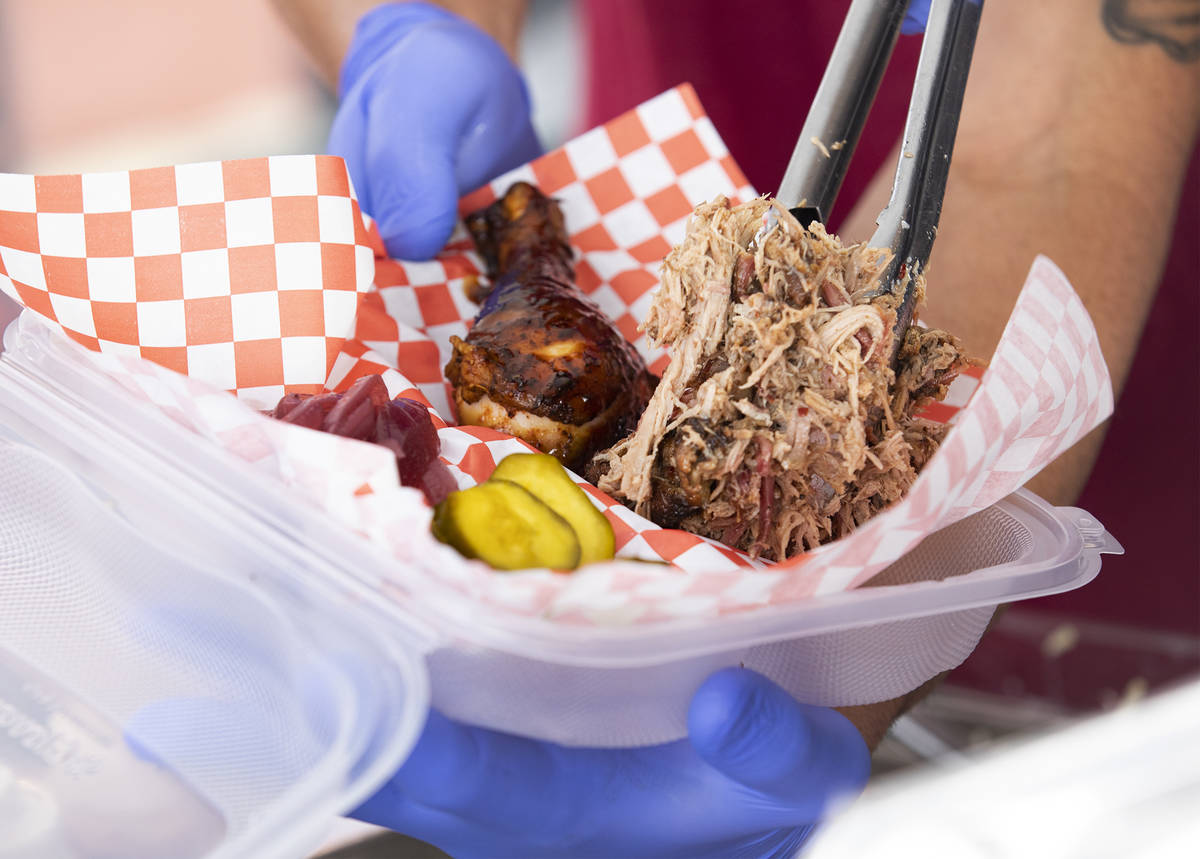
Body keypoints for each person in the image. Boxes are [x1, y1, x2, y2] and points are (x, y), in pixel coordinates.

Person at [271, 1, 1200, 856]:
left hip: (1084, 467)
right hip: (660, 249)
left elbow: (1046, 134)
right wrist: (421, 23)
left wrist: (846, 644)